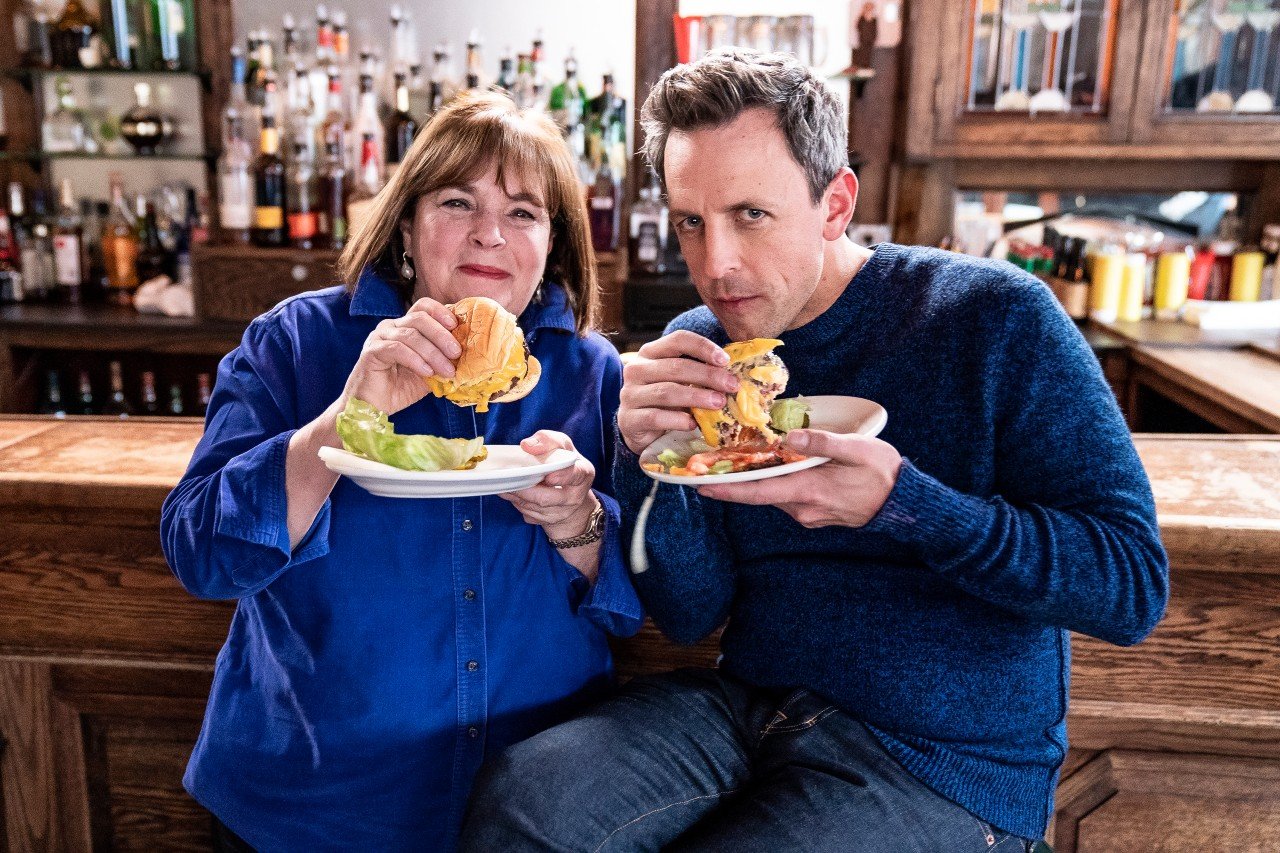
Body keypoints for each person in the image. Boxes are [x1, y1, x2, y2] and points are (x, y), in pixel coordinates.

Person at [461, 49, 1169, 851]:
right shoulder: (701, 347)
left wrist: (907, 504)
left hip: (943, 758)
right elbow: (689, 613)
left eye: (750, 215)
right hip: (748, 704)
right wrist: (646, 457)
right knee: (523, 800)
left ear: (835, 203)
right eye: (692, 222)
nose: (715, 265)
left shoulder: (994, 318)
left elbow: (1131, 586)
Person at [160, 91, 641, 851]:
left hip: (533, 814)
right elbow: (200, 553)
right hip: (314, 806)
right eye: (458, 201)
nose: (489, 233)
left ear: (553, 244)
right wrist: (344, 418)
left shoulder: (591, 372)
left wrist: (576, 525)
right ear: (408, 231)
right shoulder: (295, 341)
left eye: (523, 212)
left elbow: (635, 601)